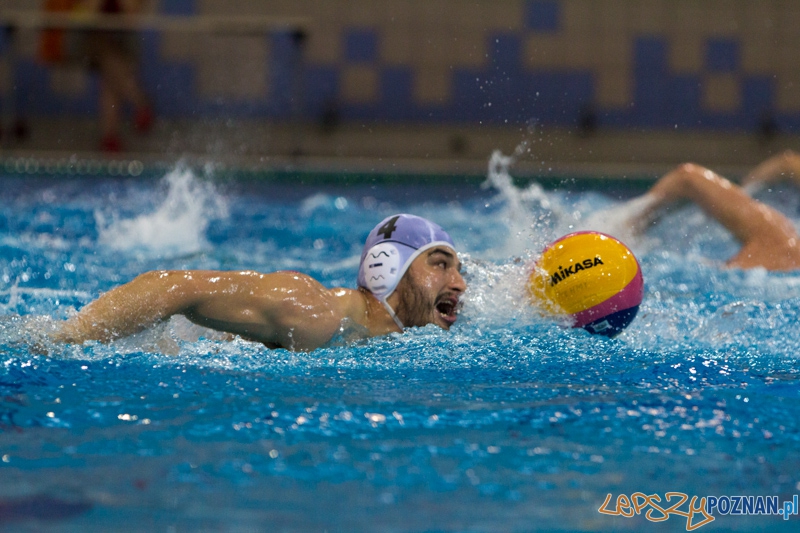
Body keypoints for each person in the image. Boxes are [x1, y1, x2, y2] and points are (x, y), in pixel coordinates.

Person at [52, 214, 466, 351]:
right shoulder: (313, 312)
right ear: (388, 267)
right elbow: (171, 287)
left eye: (459, 269)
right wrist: (62, 340)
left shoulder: (371, 333)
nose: (459, 283)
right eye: (441, 264)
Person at [634, 156, 800, 271]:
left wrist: (742, 195)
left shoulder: (778, 240)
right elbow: (788, 163)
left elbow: (687, 177)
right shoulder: (781, 244)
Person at [38, 0, 153, 152]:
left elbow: (130, 18)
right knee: (107, 56)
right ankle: (139, 102)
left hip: (119, 46)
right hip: (86, 41)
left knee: (110, 68)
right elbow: (85, 16)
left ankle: (109, 137)